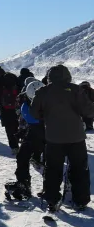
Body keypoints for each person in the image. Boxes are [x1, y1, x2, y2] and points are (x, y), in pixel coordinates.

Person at [31, 65, 94, 211]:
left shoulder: (43, 91)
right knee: (79, 169)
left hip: (53, 138)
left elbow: (34, 113)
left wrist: (47, 117)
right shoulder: (76, 89)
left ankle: (52, 199)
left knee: (53, 169)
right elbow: (89, 112)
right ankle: (81, 200)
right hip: (76, 137)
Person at [6, 79, 45, 199]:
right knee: (22, 157)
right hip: (38, 134)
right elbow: (34, 122)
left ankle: (49, 188)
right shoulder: (25, 106)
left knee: (50, 162)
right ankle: (24, 183)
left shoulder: (47, 101)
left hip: (43, 134)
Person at [0, 72, 21, 152]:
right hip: (16, 110)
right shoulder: (16, 84)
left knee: (9, 129)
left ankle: (14, 147)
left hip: (5, 110)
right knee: (17, 126)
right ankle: (18, 142)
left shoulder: (1, 83)